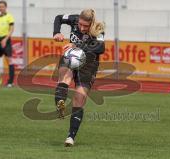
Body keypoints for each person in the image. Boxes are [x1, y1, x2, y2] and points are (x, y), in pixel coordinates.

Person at [53, 8, 105, 146]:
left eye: (85, 26)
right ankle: (60, 105)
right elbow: (58, 17)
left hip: (88, 64)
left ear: (92, 23)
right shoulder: (74, 19)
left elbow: (100, 48)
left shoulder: (98, 28)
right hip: (71, 56)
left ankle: (70, 137)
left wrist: (77, 45)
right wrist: (56, 32)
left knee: (79, 98)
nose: (82, 28)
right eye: (80, 24)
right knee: (65, 76)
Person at [0, 0, 15, 87]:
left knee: (9, 61)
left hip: (6, 40)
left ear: (5, 7)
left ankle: (10, 82)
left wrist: (5, 39)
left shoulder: (9, 17)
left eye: (2, 6)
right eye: (0, 7)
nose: (1, 8)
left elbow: (11, 29)